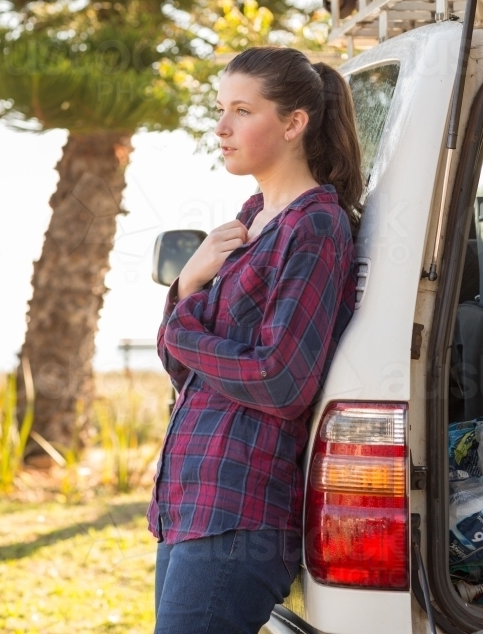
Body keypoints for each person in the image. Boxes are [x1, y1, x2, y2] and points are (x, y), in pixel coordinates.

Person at [148, 46, 362, 634]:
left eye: (242, 111)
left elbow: (281, 379)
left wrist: (181, 321)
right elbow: (178, 365)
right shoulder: (249, 217)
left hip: (241, 511)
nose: (221, 128)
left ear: (294, 123)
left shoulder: (315, 224)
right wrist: (189, 281)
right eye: (220, 109)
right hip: (192, 502)